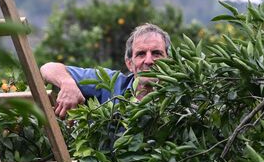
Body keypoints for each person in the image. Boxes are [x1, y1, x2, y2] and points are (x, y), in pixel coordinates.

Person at [40, 23, 171, 118]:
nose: (148, 61)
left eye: (156, 53)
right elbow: (48, 68)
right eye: (141, 54)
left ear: (169, 60)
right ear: (129, 64)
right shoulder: (110, 84)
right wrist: (67, 83)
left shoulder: (181, 97)